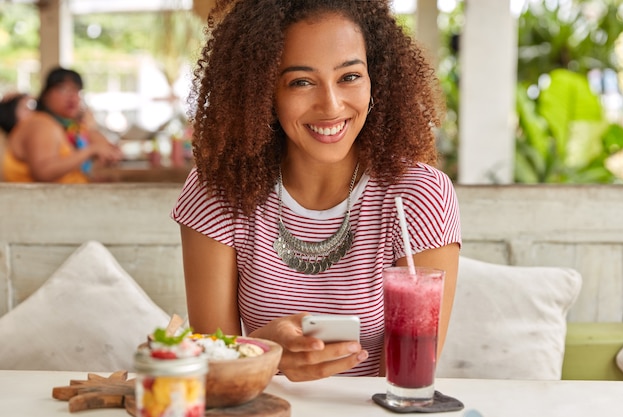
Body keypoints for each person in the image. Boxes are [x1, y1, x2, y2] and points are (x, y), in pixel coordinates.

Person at [171, 0, 461, 382]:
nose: (331, 105)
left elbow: (409, 377)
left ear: (377, 79)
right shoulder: (219, 192)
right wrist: (263, 351)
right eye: (301, 82)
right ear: (262, 92)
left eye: (350, 77)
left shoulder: (419, 195)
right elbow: (215, 375)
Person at [2, 67, 122, 183]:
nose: (72, 96)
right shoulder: (41, 124)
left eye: (77, 90)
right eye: (63, 89)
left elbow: (104, 147)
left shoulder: (69, 126)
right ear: (45, 95)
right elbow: (43, 172)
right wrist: (90, 151)